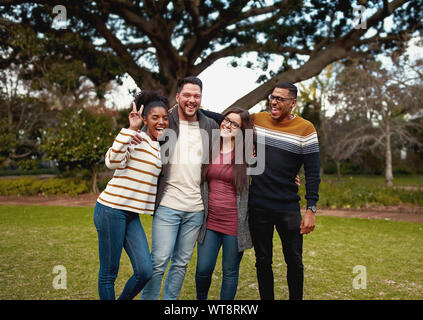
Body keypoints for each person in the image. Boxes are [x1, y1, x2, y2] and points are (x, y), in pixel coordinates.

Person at [200, 82, 320, 300]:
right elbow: (226, 119)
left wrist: (311, 208)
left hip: (287, 207)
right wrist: (194, 109)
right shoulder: (258, 120)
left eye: (280, 99)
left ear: (292, 103)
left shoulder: (306, 129)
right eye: (272, 97)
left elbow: (312, 173)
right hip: (258, 206)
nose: (274, 102)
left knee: (294, 260)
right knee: (262, 260)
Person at [140, 76, 219, 300]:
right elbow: (143, 132)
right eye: (187, 95)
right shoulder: (165, 121)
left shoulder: (210, 126)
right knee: (158, 262)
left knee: (181, 264)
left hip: (195, 209)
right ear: (177, 97)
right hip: (167, 206)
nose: (191, 100)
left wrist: (281, 175)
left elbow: (231, 147)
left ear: (201, 98)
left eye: (196, 96)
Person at [93, 91, 169, 300]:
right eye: (155, 117)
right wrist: (130, 129)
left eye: (164, 118)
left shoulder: (157, 145)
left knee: (145, 271)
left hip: (131, 214)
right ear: (144, 119)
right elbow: (112, 161)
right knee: (109, 273)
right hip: (111, 209)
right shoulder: (134, 137)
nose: (161, 122)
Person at [195, 107, 254, 300]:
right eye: (227, 120)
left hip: (234, 225)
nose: (228, 125)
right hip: (210, 222)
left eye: (235, 124)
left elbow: (272, 172)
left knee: (230, 272)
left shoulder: (248, 156)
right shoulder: (210, 147)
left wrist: (291, 177)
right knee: (203, 269)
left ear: (242, 130)